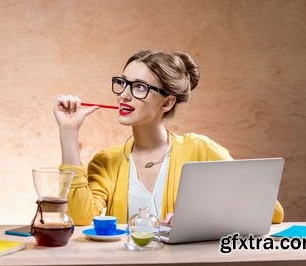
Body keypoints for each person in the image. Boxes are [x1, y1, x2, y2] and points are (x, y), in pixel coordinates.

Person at [54, 50, 284, 226]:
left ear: (167, 102)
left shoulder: (200, 150)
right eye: (123, 83)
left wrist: (200, 216)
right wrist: (68, 132)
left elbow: (272, 211)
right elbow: (79, 218)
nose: (124, 95)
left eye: (140, 87)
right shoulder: (107, 161)